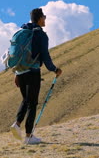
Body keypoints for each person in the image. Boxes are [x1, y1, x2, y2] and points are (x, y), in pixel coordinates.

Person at [10, 8, 62, 144]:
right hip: (33, 72)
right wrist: (54, 69)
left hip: (20, 71)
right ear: (39, 18)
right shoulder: (41, 35)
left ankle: (17, 123)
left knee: (25, 100)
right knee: (32, 104)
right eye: (44, 17)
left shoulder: (23, 32)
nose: (45, 19)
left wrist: (16, 73)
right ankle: (28, 136)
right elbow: (45, 56)